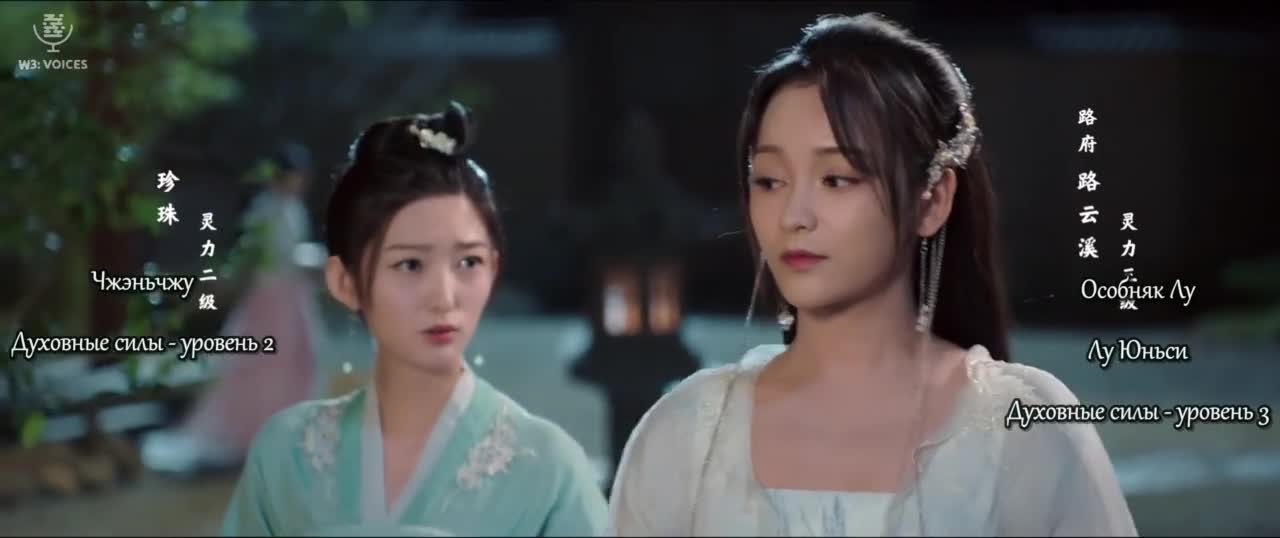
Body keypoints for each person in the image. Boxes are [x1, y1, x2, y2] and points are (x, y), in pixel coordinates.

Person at [608, 13, 1137, 536]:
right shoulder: (688, 437)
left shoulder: (1023, 432)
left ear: (932, 199)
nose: (794, 215)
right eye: (770, 181)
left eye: (836, 179)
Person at [221, 103, 609, 536]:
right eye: (410, 264)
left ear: (493, 271)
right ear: (346, 282)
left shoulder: (548, 469)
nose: (444, 297)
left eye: (468, 262)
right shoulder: (285, 456)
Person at [142, 142, 323, 474]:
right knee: (263, 367)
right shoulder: (265, 210)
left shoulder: (292, 208)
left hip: (292, 296)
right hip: (269, 298)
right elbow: (259, 258)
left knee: (298, 361)